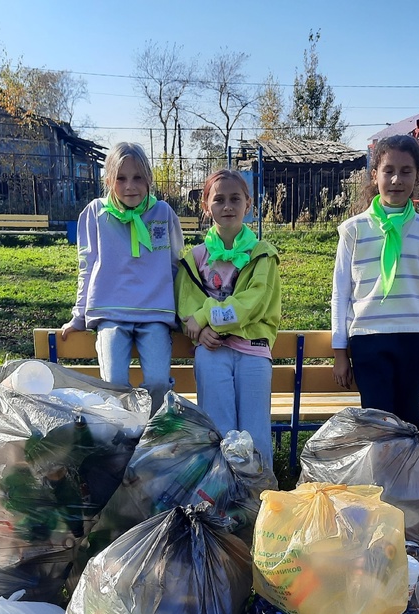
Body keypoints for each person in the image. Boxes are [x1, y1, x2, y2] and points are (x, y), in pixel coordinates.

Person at [60, 142, 184, 412]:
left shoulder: (163, 213)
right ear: (108, 180)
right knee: (113, 382)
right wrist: (79, 315)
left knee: (158, 382)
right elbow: (87, 265)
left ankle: (152, 441)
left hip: (155, 314)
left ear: (149, 179)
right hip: (110, 313)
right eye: (121, 178)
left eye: (138, 177)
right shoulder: (95, 213)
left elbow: (176, 266)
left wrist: (183, 313)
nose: (130, 186)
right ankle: (122, 441)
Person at [331, 134, 419, 426]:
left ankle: (405, 473)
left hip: (413, 339)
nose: (396, 180)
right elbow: (341, 294)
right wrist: (340, 352)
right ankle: (379, 474)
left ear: (417, 176)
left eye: (406, 171)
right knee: (378, 425)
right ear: (374, 175)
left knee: (409, 424)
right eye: (388, 170)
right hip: (369, 339)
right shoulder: (353, 230)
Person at [176, 169, 281, 465]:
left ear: (248, 204)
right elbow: (186, 305)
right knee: (218, 428)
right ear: (206, 206)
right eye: (219, 199)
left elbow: (254, 303)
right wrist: (197, 329)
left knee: (255, 431)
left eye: (235, 199)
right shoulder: (194, 258)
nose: (227, 206)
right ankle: (219, 494)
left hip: (253, 350)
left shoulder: (263, 254)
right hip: (211, 352)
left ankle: (257, 496)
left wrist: (207, 316)